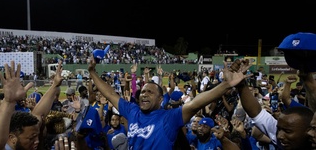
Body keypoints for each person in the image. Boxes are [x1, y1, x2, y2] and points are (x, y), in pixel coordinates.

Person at [88, 55, 245, 149]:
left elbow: (195, 103)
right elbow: (109, 93)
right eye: (143, 91)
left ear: (160, 100)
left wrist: (226, 84)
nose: (144, 94)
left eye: (150, 92)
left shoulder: (168, 118)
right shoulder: (132, 111)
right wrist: (92, 72)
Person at [232, 58, 314, 149]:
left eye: (288, 131)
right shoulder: (286, 137)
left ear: (310, 131)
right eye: (278, 129)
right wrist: (241, 84)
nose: (279, 136)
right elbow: (256, 113)